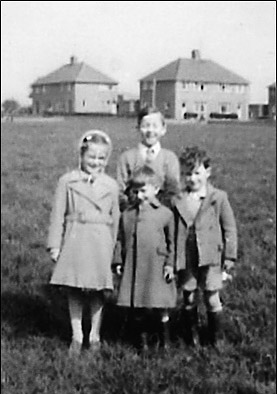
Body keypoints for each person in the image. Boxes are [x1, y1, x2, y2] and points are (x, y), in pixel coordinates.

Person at [47, 130, 120, 356]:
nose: (95, 163)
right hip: (76, 238)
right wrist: (55, 245)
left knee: (98, 290)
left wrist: (114, 250)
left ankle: (94, 335)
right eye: (91, 157)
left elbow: (115, 219)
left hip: (101, 241)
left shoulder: (111, 185)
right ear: (81, 155)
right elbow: (58, 214)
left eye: (101, 159)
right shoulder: (67, 181)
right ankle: (77, 335)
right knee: (75, 289)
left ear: (107, 160)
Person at [173, 146, 237, 348]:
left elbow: (229, 228)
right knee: (189, 294)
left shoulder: (218, 198)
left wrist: (229, 256)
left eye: (197, 173)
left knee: (211, 295)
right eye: (187, 173)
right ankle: (190, 337)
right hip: (187, 255)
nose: (192, 178)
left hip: (211, 256)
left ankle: (215, 337)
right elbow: (172, 231)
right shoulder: (178, 200)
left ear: (207, 172)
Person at [114, 165, 177, 351]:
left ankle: (165, 341)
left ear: (156, 189)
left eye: (144, 191)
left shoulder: (165, 214)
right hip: (134, 265)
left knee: (161, 303)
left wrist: (170, 265)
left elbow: (172, 243)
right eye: (136, 191)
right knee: (138, 303)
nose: (139, 195)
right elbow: (120, 239)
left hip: (157, 265)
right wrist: (118, 260)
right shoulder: (127, 215)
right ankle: (142, 343)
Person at [117, 106, 180, 211]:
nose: (150, 130)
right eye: (145, 126)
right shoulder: (127, 157)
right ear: (138, 128)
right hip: (133, 213)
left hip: (161, 215)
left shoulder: (169, 158)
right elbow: (120, 190)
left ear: (163, 129)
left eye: (155, 126)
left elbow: (174, 192)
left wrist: (159, 210)